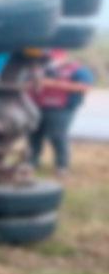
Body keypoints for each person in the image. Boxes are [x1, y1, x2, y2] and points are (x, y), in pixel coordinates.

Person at [29, 50, 94, 178]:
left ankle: (61, 166)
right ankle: (32, 163)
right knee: (34, 135)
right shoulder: (42, 69)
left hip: (62, 109)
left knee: (57, 137)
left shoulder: (77, 70)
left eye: (54, 57)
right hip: (38, 107)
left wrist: (53, 84)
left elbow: (84, 87)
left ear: (64, 56)